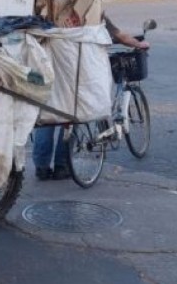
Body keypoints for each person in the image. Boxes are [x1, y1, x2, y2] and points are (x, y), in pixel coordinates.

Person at [33, 15, 149, 180]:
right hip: (73, 69)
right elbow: (117, 35)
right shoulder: (90, 11)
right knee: (72, 114)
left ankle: (41, 167)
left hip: (44, 66)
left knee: (46, 114)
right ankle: (62, 165)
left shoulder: (42, 12)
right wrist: (138, 44)